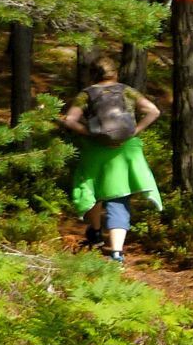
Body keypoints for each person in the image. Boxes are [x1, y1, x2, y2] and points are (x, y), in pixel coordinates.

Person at [57, 56, 162, 265]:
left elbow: (70, 120)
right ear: (115, 73)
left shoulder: (87, 94)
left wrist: (88, 133)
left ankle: (95, 231)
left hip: (96, 149)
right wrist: (135, 131)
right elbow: (153, 111)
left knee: (94, 190)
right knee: (119, 197)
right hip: (125, 150)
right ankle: (116, 253)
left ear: (93, 74)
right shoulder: (127, 91)